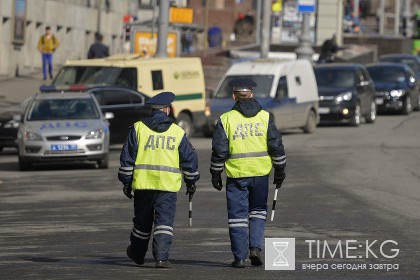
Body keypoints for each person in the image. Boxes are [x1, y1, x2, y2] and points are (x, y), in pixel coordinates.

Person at [210, 78, 286, 268]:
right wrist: (280, 170)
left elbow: (220, 150)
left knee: (237, 217)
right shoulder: (265, 118)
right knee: (258, 212)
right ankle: (255, 249)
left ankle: (239, 257)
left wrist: (215, 173)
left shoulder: (226, 119)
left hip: (236, 176)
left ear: (234, 96)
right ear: (251, 94)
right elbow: (276, 146)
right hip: (260, 175)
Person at [118, 91, 200, 269]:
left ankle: (137, 254)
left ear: (153, 110)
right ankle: (161, 258)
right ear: (168, 110)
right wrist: (191, 181)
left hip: (143, 185)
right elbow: (189, 159)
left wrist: (126, 181)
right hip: (167, 187)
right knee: (164, 223)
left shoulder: (138, 128)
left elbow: (127, 158)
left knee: (142, 222)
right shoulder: (177, 132)